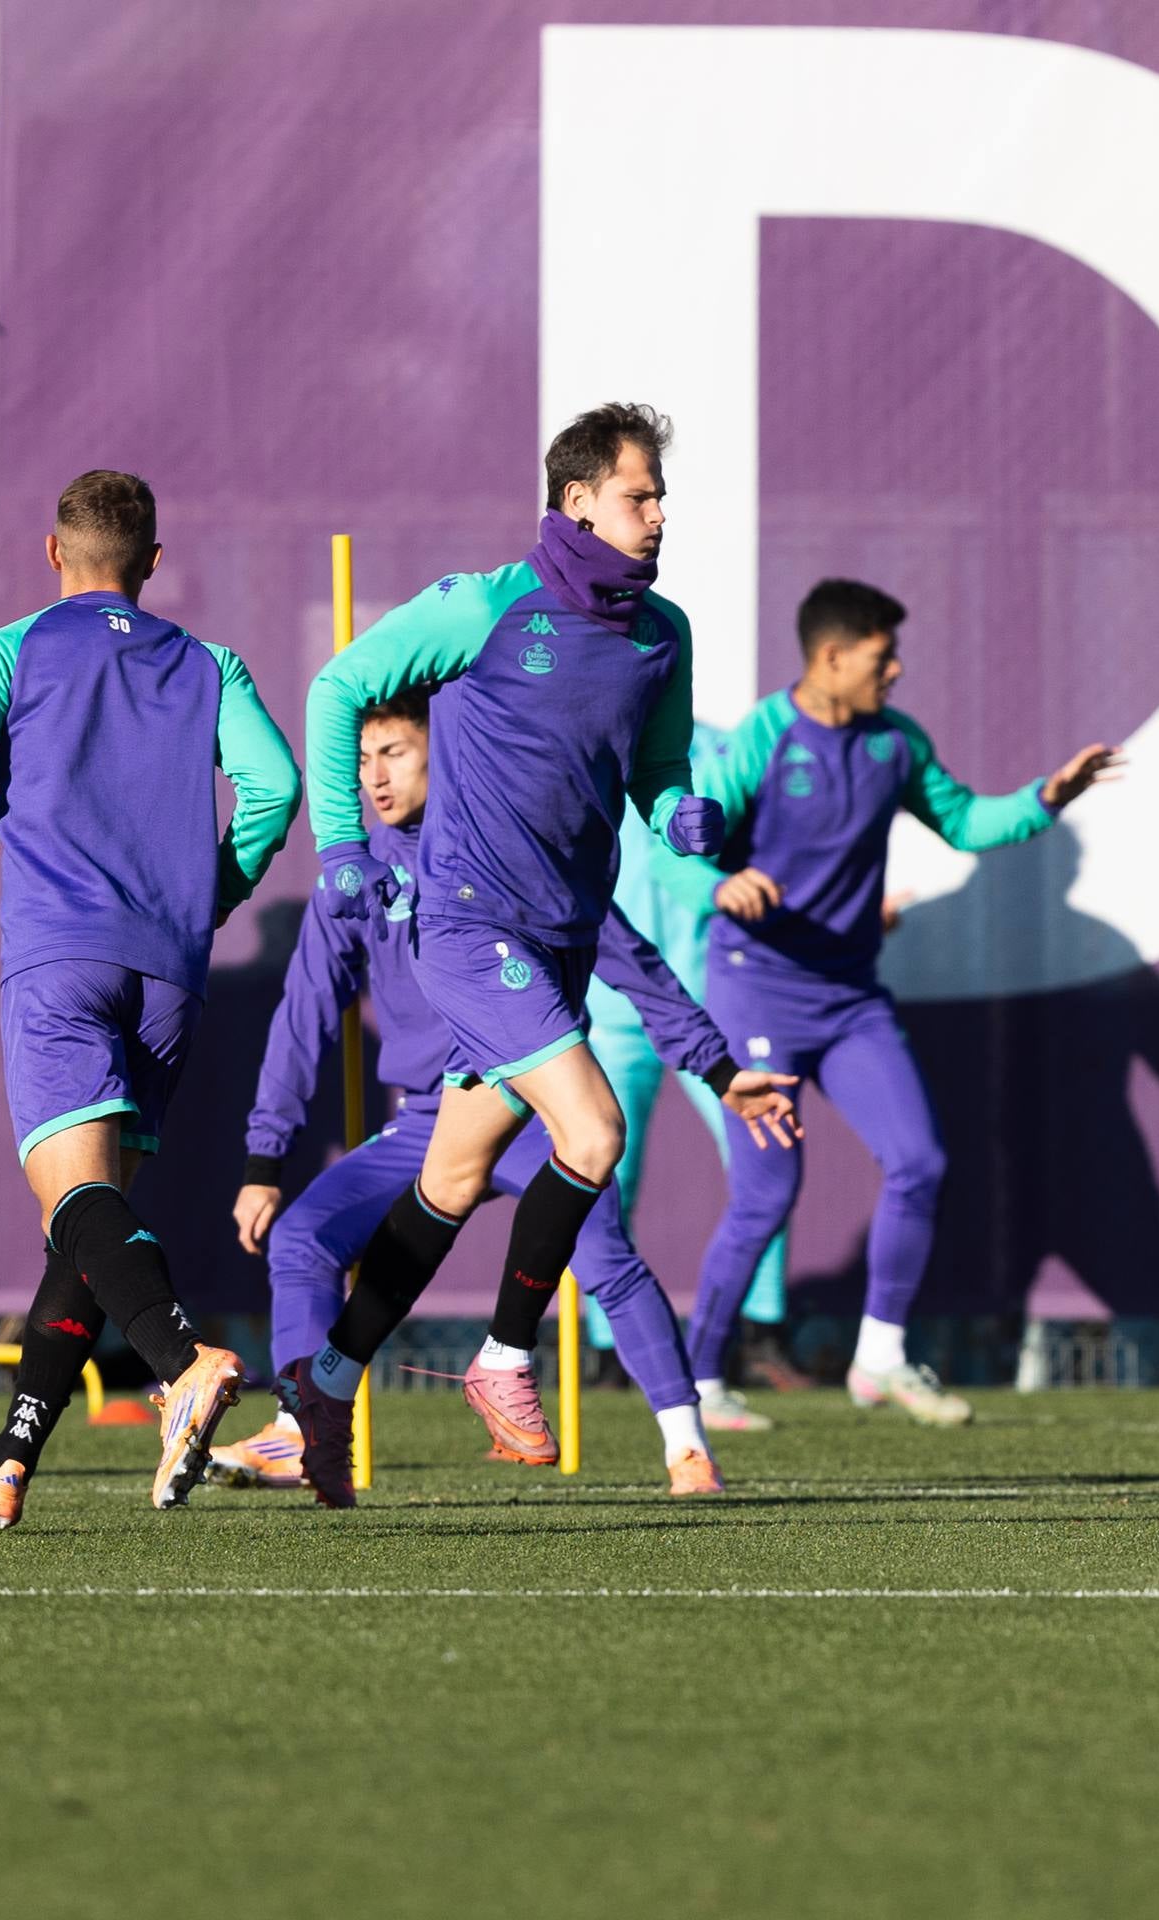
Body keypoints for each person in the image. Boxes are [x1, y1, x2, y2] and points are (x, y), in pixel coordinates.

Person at [285, 403, 732, 1506]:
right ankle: (502, 1359)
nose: (659, 514)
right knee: (595, 1132)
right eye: (638, 495)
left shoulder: (662, 633)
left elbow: (657, 771)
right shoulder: (486, 605)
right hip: (470, 927)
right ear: (577, 502)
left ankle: (326, 1384)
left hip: (563, 937)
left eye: (660, 495)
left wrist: (677, 814)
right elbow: (337, 688)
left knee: (449, 1178)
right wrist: (340, 843)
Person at [217, 690, 793, 1500]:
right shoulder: (355, 876)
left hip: (528, 1109)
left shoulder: (516, 856)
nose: (374, 777)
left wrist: (718, 1068)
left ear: (444, 752)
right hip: (428, 1119)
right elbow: (303, 1017)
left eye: (395, 754)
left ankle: (687, 1448)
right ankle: (297, 1430)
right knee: (303, 1238)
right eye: (363, 759)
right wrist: (264, 1160)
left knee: (606, 1256)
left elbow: (635, 964)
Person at [0, 469, 303, 1526]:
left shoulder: (14, 649)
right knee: (85, 1232)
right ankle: (7, 1464)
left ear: (52, 552)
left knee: (79, 1208)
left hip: (59, 958)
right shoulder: (209, 663)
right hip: (168, 973)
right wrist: (215, 890)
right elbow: (274, 787)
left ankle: (182, 1364)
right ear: (152, 562)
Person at [683, 578, 1120, 1428]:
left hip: (851, 998)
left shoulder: (896, 742)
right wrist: (717, 881)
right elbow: (688, 837)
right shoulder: (763, 738)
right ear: (831, 657)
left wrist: (1048, 797)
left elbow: (967, 822)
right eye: (883, 657)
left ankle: (878, 1359)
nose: (897, 670)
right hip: (757, 991)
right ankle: (698, 1382)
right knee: (767, 1194)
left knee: (919, 1162)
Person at [582, 719, 793, 1430]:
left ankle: (759, 1335)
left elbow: (778, 846)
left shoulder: (722, 750)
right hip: (609, 1003)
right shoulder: (581, 737)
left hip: (711, 1004)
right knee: (603, 1179)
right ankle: (609, 1351)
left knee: (763, 1155)